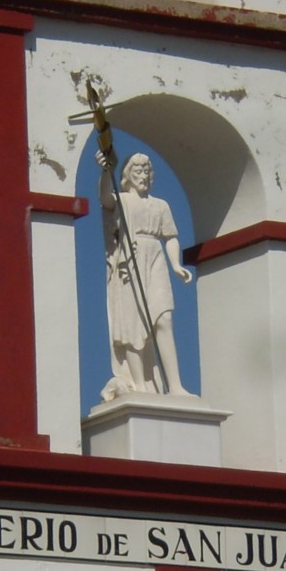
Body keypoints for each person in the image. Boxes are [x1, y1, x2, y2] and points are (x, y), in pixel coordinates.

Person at [97, 151, 193, 400]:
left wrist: (176, 264)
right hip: (129, 261)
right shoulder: (122, 200)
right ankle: (138, 385)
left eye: (147, 171)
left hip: (156, 260)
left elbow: (170, 237)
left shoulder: (161, 205)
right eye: (138, 171)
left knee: (164, 319)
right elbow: (105, 198)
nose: (143, 176)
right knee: (133, 323)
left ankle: (175, 386)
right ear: (128, 175)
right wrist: (106, 170)